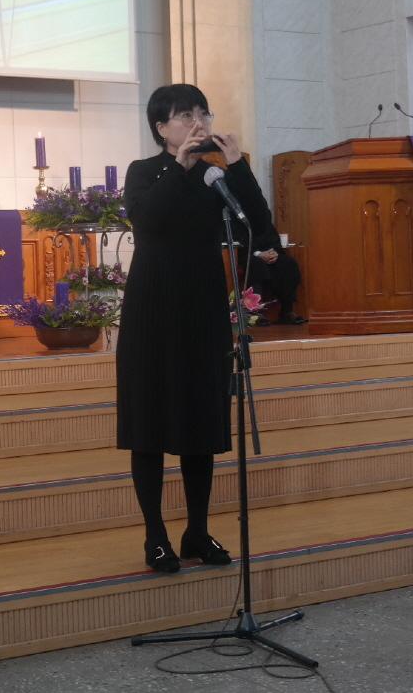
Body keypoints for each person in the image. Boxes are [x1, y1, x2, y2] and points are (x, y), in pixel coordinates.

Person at [117, 84, 270, 573]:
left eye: (203, 113)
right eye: (186, 115)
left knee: (201, 426)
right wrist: (179, 167)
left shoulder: (215, 176)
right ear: (161, 127)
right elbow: (148, 220)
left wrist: (237, 165)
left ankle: (197, 531)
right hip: (152, 311)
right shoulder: (145, 172)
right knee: (149, 426)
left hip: (203, 308)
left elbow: (258, 229)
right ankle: (156, 537)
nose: (198, 122)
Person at [245, 224, 305, 325]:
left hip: (269, 254)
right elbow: (239, 242)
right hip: (247, 256)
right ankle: (254, 312)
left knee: (288, 262)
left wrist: (274, 252)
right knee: (257, 264)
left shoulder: (264, 219)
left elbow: (274, 239)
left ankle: (286, 311)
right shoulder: (236, 219)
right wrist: (258, 254)